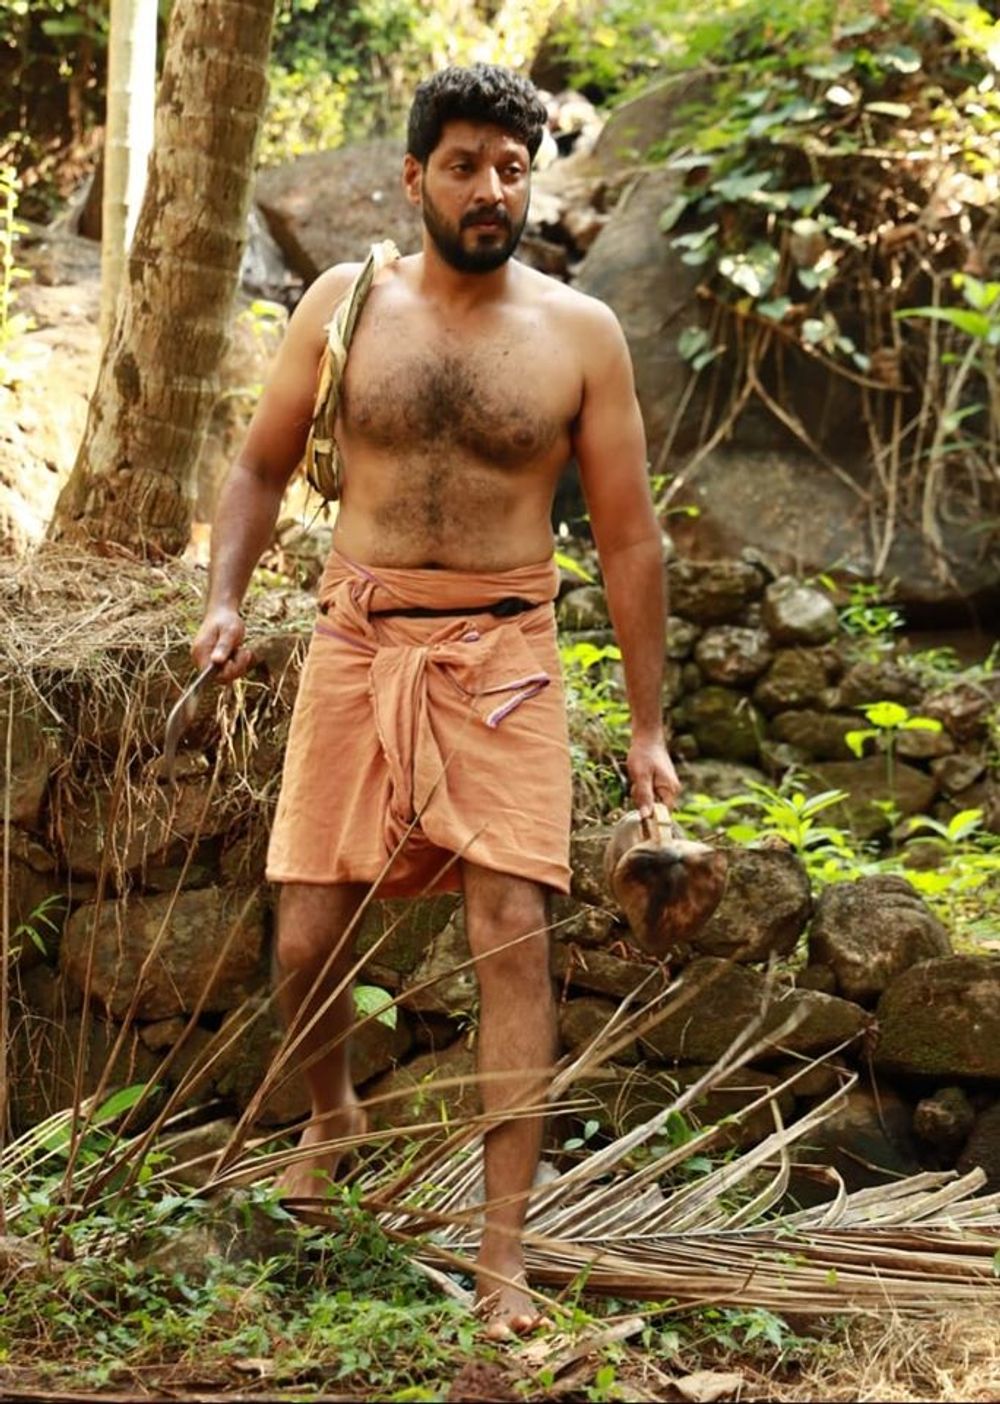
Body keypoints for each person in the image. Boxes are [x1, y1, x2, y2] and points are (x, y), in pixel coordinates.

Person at [193, 63, 679, 1339]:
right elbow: (258, 465)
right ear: (414, 176)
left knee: (510, 930)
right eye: (464, 165)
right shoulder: (343, 304)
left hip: (505, 658)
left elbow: (628, 539)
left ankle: (501, 1253)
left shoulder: (581, 334)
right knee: (305, 941)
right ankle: (332, 1111)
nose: (489, 190)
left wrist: (646, 727)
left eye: (512, 168)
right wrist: (225, 600)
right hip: (357, 640)